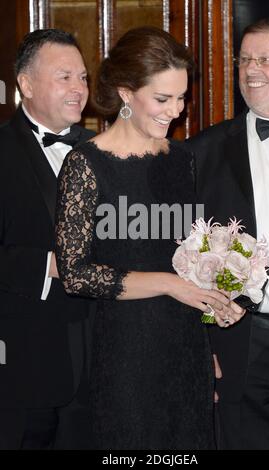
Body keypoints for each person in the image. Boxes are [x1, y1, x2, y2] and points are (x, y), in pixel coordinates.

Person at [55, 26, 245, 450]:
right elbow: (75, 275)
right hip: (127, 355)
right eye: (162, 99)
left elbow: (192, 257)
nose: (175, 111)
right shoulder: (85, 164)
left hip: (187, 350)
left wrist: (216, 303)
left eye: (181, 98)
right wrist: (169, 285)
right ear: (125, 93)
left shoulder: (182, 160)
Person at [187, 17, 269, 450]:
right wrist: (202, 343)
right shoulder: (204, 151)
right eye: (245, 59)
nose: (252, 69)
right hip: (244, 340)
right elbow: (183, 258)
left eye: (266, 59)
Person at [0, 28, 96, 449]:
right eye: (65, 77)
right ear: (25, 84)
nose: (79, 88)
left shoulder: (102, 151)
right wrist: (50, 266)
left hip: (96, 368)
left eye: (83, 77)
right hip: (22, 369)